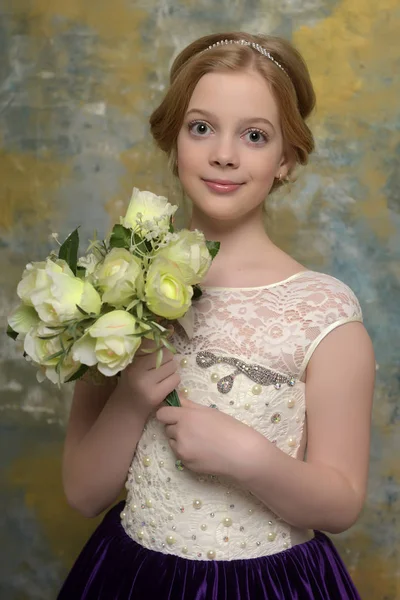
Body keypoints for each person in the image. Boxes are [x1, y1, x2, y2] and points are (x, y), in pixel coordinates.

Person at [57, 31, 375, 599]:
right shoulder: (119, 289)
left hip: (267, 582)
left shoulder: (323, 312)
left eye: (255, 135)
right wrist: (131, 400)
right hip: (134, 576)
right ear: (174, 140)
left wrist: (251, 458)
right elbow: (82, 493)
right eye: (201, 127)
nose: (224, 153)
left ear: (286, 161)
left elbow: (342, 502)